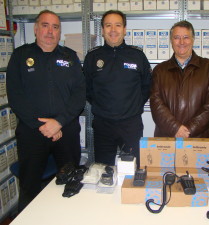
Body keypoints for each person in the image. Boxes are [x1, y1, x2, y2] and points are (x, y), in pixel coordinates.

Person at [6, 10, 86, 212]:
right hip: (32, 133)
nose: (50, 31)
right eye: (45, 25)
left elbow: (79, 94)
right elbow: (15, 95)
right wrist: (43, 125)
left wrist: (58, 122)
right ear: (35, 28)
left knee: (71, 182)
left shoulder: (70, 57)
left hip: (65, 131)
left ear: (60, 32)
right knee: (29, 185)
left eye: (56, 27)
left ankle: (68, 218)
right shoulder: (21, 56)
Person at [83, 10, 151, 168]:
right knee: (103, 171)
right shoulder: (92, 57)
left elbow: (147, 86)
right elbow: (87, 89)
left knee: (133, 169)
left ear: (125, 29)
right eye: (108, 25)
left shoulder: (137, 56)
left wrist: (132, 107)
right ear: (102, 30)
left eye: (118, 25)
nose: (113, 29)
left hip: (130, 125)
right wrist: (102, 107)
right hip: (103, 126)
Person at [150, 20, 209, 149]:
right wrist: (175, 128)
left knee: (199, 170)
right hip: (167, 138)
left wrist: (188, 130)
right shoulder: (160, 70)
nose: (181, 42)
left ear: (193, 40)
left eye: (186, 37)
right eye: (177, 38)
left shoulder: (208, 67)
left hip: (199, 139)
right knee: (167, 169)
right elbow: (156, 104)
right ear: (171, 41)